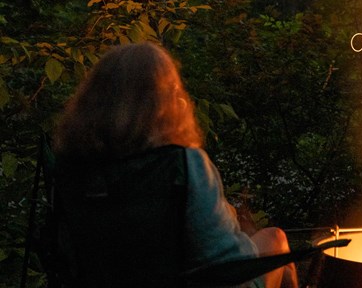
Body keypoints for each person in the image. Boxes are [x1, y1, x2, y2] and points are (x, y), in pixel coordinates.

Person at [53, 42, 298, 288]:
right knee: (275, 240)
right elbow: (225, 261)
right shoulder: (181, 164)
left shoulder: (73, 169)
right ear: (167, 100)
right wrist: (237, 232)